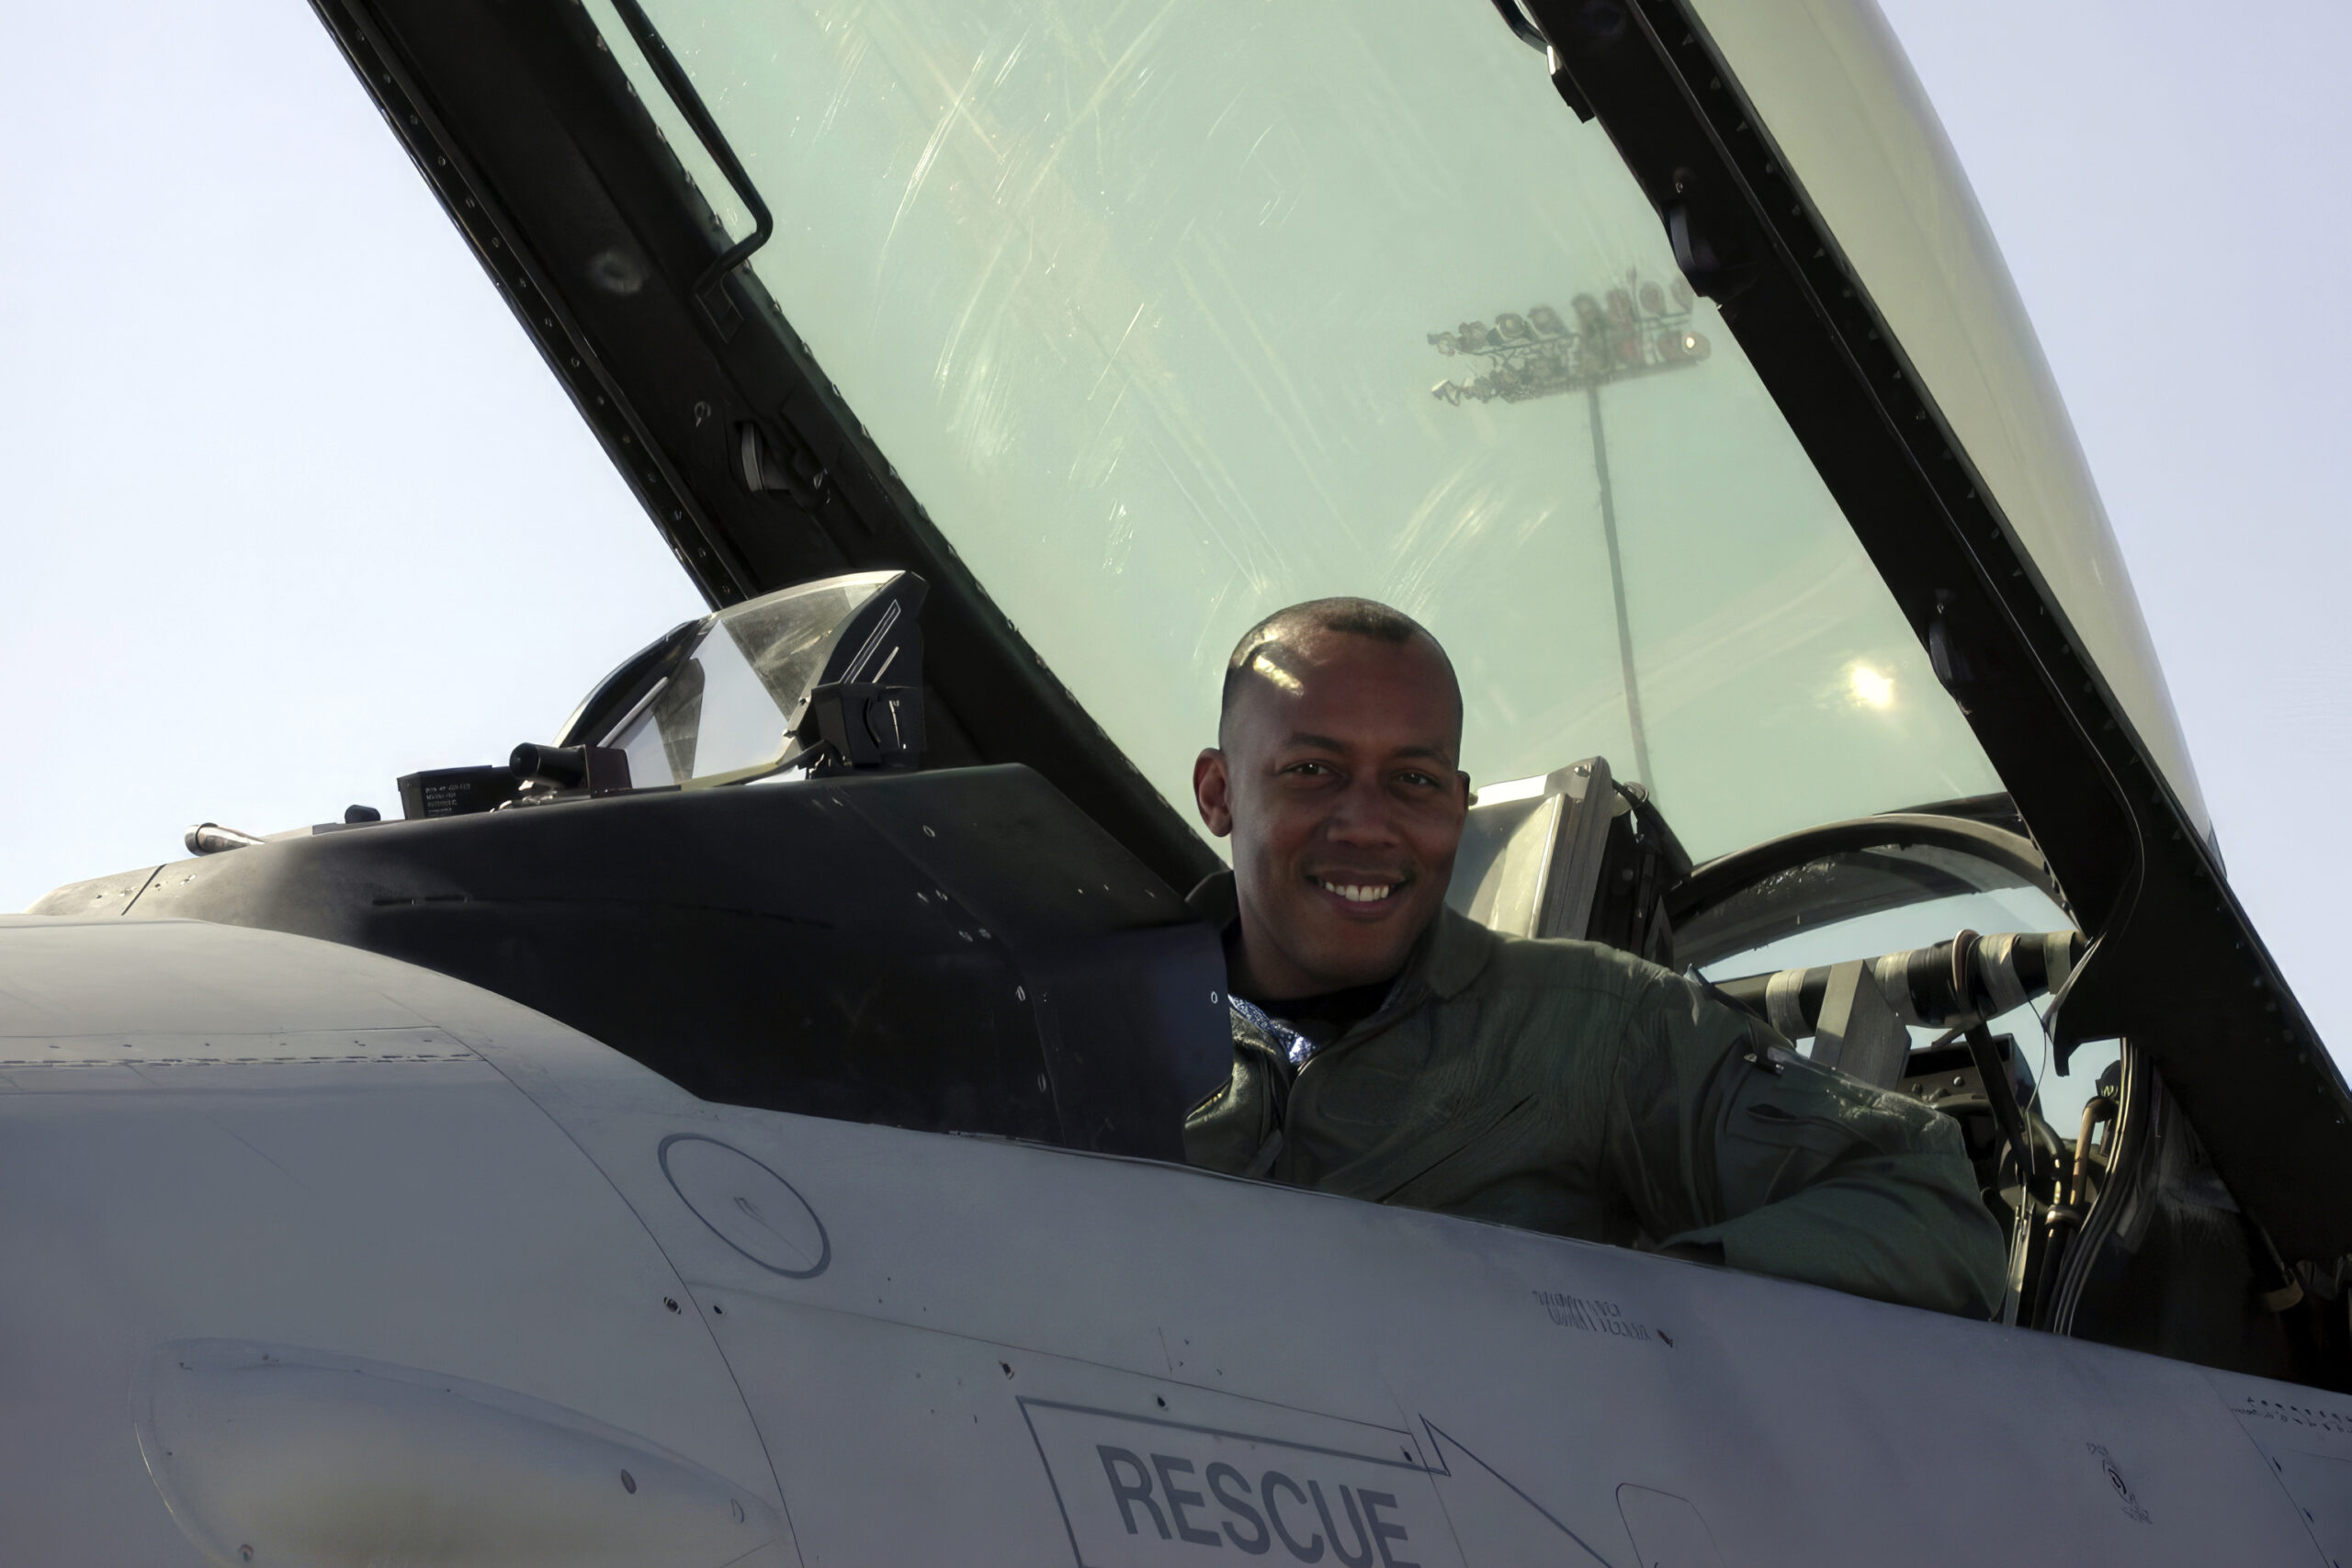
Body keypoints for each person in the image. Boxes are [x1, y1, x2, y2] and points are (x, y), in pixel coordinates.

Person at [1183, 597, 2008, 1317]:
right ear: (1219, 792)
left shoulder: (1591, 1029)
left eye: (1415, 781)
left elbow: (1927, 1208)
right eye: (1312, 770)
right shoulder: (1082, 1024)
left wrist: (1625, 1315)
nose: (1366, 823)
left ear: (1461, 805)